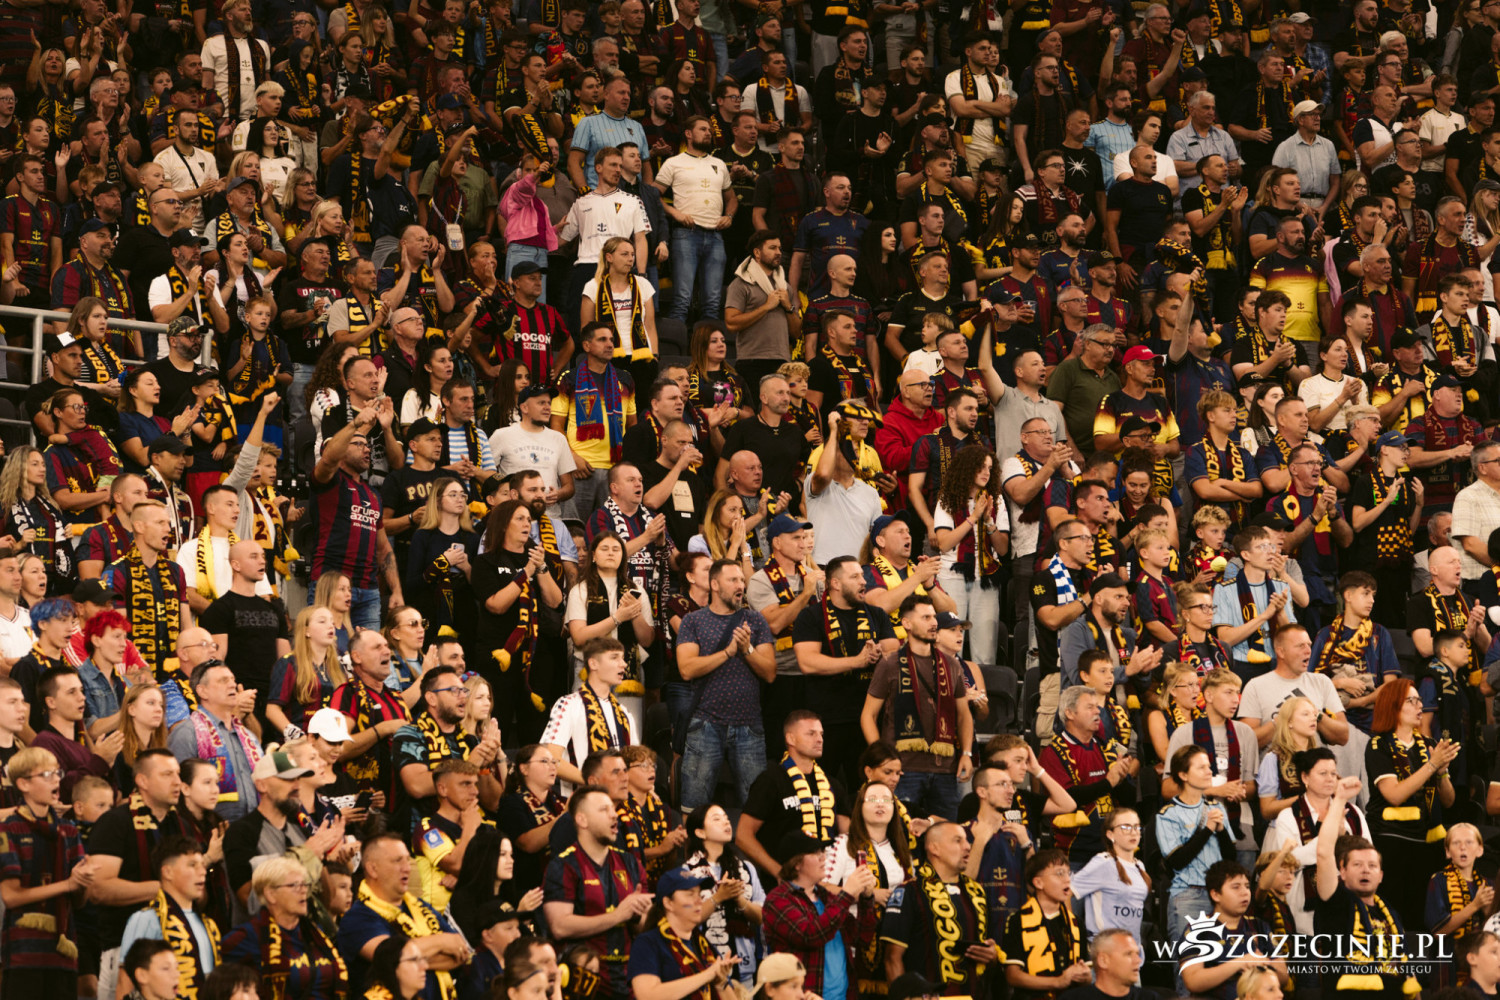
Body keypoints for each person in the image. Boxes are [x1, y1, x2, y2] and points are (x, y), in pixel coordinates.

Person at [860, 595, 972, 822]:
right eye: (926, 617)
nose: (933, 623)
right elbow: (868, 715)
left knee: (945, 833)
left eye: (934, 617)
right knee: (902, 831)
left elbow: (963, 715)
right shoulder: (890, 663)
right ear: (907, 623)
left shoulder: (951, 664)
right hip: (903, 768)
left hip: (944, 768)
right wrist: (882, 757)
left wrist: (967, 753)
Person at [676, 560, 775, 810]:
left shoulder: (756, 620)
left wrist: (747, 649)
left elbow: (770, 673)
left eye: (742, 580)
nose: (741, 585)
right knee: (693, 806)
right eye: (733, 580)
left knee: (757, 807)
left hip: (749, 725)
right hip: (705, 724)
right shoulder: (693, 621)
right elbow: (686, 669)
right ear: (715, 584)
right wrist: (728, 653)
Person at [1311, 780, 1423, 999]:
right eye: (1357, 864)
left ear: (1381, 876)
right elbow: (1324, 852)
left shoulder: (1389, 912)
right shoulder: (1337, 902)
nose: (1365, 870)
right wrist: (1340, 799)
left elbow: (1406, 970)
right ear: (1342, 871)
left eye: (1372, 866)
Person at [0, 746, 96, 998]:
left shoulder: (69, 831)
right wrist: (68, 884)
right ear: (23, 784)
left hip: (63, 951)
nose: (56, 780)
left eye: (58, 773)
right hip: (24, 953)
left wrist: (84, 880)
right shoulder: (9, 829)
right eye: (46, 775)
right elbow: (11, 896)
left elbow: (80, 901)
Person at [542, 788, 651, 1000]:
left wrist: (639, 915)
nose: (614, 815)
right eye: (604, 810)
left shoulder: (630, 863)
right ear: (582, 820)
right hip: (585, 985)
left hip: (629, 981)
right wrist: (618, 916)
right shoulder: (563, 865)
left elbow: (644, 926)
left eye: (613, 809)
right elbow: (560, 927)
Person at [339, 832, 470, 1000]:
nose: (407, 867)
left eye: (407, 860)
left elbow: (461, 951)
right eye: (397, 861)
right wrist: (443, 942)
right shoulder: (357, 918)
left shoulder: (421, 907)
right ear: (373, 869)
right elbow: (389, 959)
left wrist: (410, 959)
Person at [880, 821, 994, 993]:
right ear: (934, 848)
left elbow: (991, 948)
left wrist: (992, 955)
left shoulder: (977, 892)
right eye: (957, 840)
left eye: (966, 840)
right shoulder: (909, 892)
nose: (967, 846)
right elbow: (892, 959)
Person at [761, 830, 875, 1000]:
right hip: (805, 996)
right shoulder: (777, 900)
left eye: (822, 851)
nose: (823, 857)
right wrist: (847, 893)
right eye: (815, 852)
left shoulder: (826, 897)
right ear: (796, 863)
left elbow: (861, 938)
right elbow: (810, 935)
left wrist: (867, 898)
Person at [738, 710, 850, 878]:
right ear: (791, 739)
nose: (819, 739)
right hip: (785, 882)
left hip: (828, 880)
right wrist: (779, 873)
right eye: (811, 733)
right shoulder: (771, 779)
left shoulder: (832, 784)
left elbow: (848, 837)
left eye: (821, 734)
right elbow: (743, 836)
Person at [219, 854, 348, 1000]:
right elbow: (215, 981)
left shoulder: (314, 933)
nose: (303, 891)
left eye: (304, 884)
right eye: (294, 885)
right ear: (270, 894)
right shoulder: (250, 936)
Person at [167, 660, 264, 823]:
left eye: (232, 679)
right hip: (209, 828)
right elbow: (176, 790)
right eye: (223, 680)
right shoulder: (187, 733)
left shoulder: (247, 736)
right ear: (202, 691)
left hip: (254, 825)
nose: (232, 685)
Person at [541, 637, 640, 791]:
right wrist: (594, 782)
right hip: (581, 798)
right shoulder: (568, 704)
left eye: (623, 658)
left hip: (619, 801)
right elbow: (550, 758)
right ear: (593, 663)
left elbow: (635, 763)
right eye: (614, 657)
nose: (624, 664)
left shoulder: (624, 713)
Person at [626, 866, 739, 1000]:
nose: (699, 900)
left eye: (699, 894)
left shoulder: (703, 944)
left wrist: (721, 983)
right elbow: (647, 995)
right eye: (690, 894)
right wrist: (708, 975)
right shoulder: (648, 943)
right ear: (668, 903)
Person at [1002, 849, 1090, 1000]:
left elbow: (1087, 977)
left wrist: (1085, 976)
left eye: (1068, 873)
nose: (1067, 880)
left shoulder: (1076, 922)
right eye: (1059, 873)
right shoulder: (1018, 920)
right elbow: (1012, 976)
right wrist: (1057, 982)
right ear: (1038, 882)